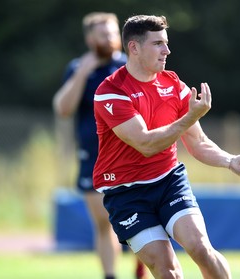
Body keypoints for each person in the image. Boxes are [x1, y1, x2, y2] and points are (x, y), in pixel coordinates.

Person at [93, 15, 240, 279]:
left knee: (200, 248)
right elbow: (145, 143)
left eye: (166, 43)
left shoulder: (174, 85)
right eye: (158, 43)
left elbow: (198, 142)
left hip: (168, 182)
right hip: (126, 194)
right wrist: (189, 117)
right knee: (167, 269)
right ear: (134, 48)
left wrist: (230, 160)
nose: (167, 50)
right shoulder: (111, 91)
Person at [53, 12, 147, 279]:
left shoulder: (127, 66)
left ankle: (142, 268)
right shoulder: (77, 68)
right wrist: (83, 71)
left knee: (138, 218)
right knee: (103, 223)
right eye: (103, 33)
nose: (110, 38)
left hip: (128, 155)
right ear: (90, 38)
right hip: (92, 157)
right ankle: (110, 275)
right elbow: (63, 108)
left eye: (113, 32)